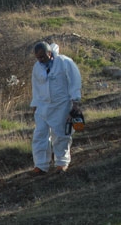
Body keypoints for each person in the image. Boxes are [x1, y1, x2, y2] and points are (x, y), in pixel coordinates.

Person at [30, 41, 82, 174]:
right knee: (40, 135)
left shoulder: (65, 62)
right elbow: (36, 86)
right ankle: (41, 165)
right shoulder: (37, 67)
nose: (41, 60)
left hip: (61, 105)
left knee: (60, 134)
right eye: (38, 57)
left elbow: (75, 81)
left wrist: (75, 102)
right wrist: (35, 104)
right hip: (43, 105)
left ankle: (62, 163)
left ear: (49, 53)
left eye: (43, 57)